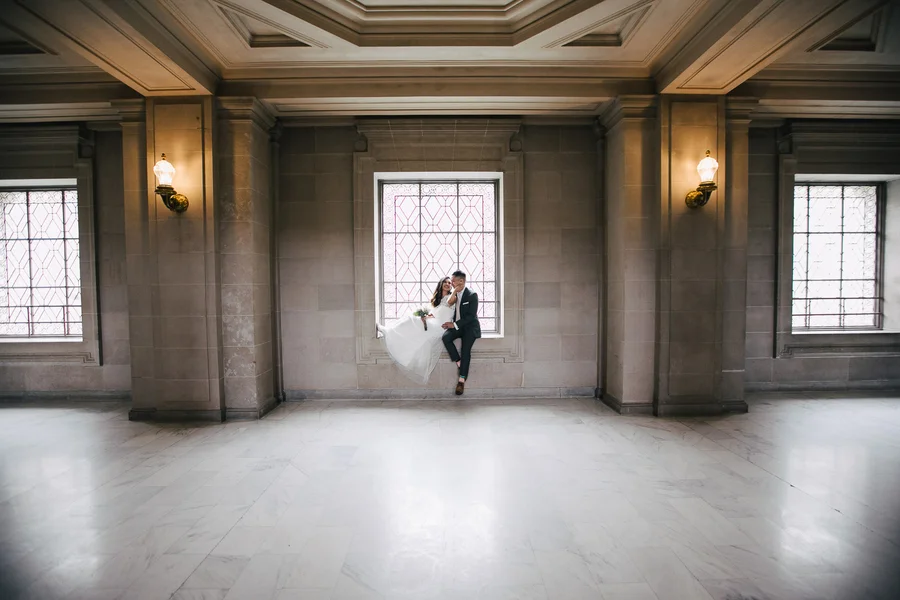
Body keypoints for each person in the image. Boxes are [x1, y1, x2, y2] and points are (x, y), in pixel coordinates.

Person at [375, 277, 458, 385]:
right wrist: (425, 317)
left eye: (449, 283)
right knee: (412, 319)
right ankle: (390, 331)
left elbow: (449, 303)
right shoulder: (437, 300)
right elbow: (434, 315)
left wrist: (455, 289)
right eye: (445, 282)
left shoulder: (452, 297)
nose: (447, 284)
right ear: (441, 284)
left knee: (413, 320)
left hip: (441, 326)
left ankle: (389, 332)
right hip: (435, 322)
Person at [441, 270, 482, 395]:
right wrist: (454, 290)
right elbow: (449, 303)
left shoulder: (472, 295)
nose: (451, 283)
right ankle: (458, 361)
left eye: (453, 281)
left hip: (470, 328)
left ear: (461, 281)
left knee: (465, 351)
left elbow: (471, 316)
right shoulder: (455, 293)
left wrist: (454, 324)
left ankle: (461, 380)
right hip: (458, 327)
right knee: (446, 338)